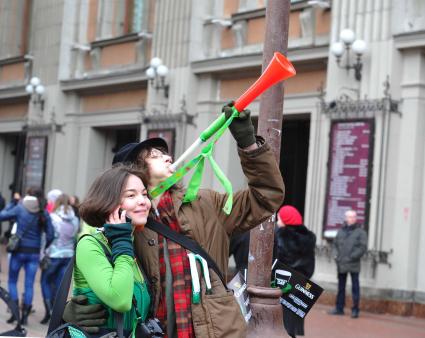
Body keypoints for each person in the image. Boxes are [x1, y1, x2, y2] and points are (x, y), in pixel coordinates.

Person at [63, 103, 285, 337]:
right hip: (156, 331)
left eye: (165, 153)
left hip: (215, 330)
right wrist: (73, 308)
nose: (168, 158)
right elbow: (102, 276)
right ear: (132, 171)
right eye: (155, 156)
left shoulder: (206, 202)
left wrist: (248, 144)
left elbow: (267, 197)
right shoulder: (123, 225)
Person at [74, 165, 152, 335]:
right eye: (131, 195)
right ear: (109, 203)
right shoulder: (90, 245)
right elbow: (120, 300)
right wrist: (122, 241)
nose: (143, 201)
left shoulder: (135, 243)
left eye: (145, 194)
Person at [0, 188, 54, 325]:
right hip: (34, 252)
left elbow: (2, 215)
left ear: (28, 196)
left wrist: (13, 202)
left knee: (12, 281)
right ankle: (24, 316)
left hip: (18, 251)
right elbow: (51, 234)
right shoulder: (43, 211)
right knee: (29, 284)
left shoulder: (20, 208)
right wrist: (45, 246)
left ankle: (14, 312)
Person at [274, 205, 316, 338]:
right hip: (299, 286)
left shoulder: (281, 237)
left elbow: (275, 261)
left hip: (282, 285)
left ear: (285, 220)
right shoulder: (308, 238)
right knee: (290, 328)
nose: (276, 220)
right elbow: (310, 266)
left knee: (280, 326)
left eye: (279, 217)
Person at [40, 193, 80, 324]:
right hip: (68, 255)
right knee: (59, 285)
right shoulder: (75, 219)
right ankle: (56, 312)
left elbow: (47, 236)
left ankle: (49, 311)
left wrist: (42, 253)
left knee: (45, 281)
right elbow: (75, 236)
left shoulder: (52, 217)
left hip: (53, 254)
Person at [328, 210, 367, 318]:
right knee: (341, 287)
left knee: (355, 287)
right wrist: (336, 255)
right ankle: (339, 308)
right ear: (346, 218)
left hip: (353, 264)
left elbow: (362, 248)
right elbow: (335, 244)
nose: (351, 219)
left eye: (353, 217)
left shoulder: (361, 232)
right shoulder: (341, 231)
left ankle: (355, 309)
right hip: (341, 263)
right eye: (349, 217)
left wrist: (352, 257)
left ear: (356, 218)